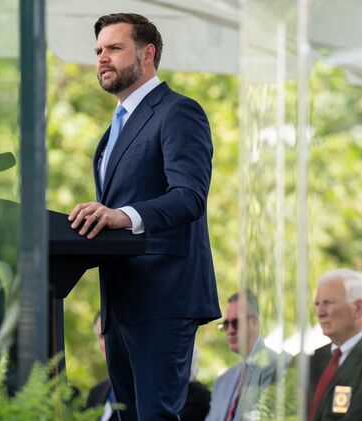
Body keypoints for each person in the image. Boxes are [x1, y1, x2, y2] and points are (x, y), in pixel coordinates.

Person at [68, 13, 221, 421]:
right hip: (120, 300)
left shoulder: (178, 112)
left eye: (114, 48)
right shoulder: (112, 131)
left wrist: (122, 216)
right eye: (99, 50)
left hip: (163, 296)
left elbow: (189, 196)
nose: (102, 58)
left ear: (147, 53)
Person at [308, 269, 362, 421]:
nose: (320, 313)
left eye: (328, 303)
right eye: (317, 304)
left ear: (358, 308)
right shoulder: (313, 360)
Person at [206, 290, 278, 421]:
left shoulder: (278, 367)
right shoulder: (222, 381)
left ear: (254, 322)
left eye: (236, 323)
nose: (230, 330)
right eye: (226, 325)